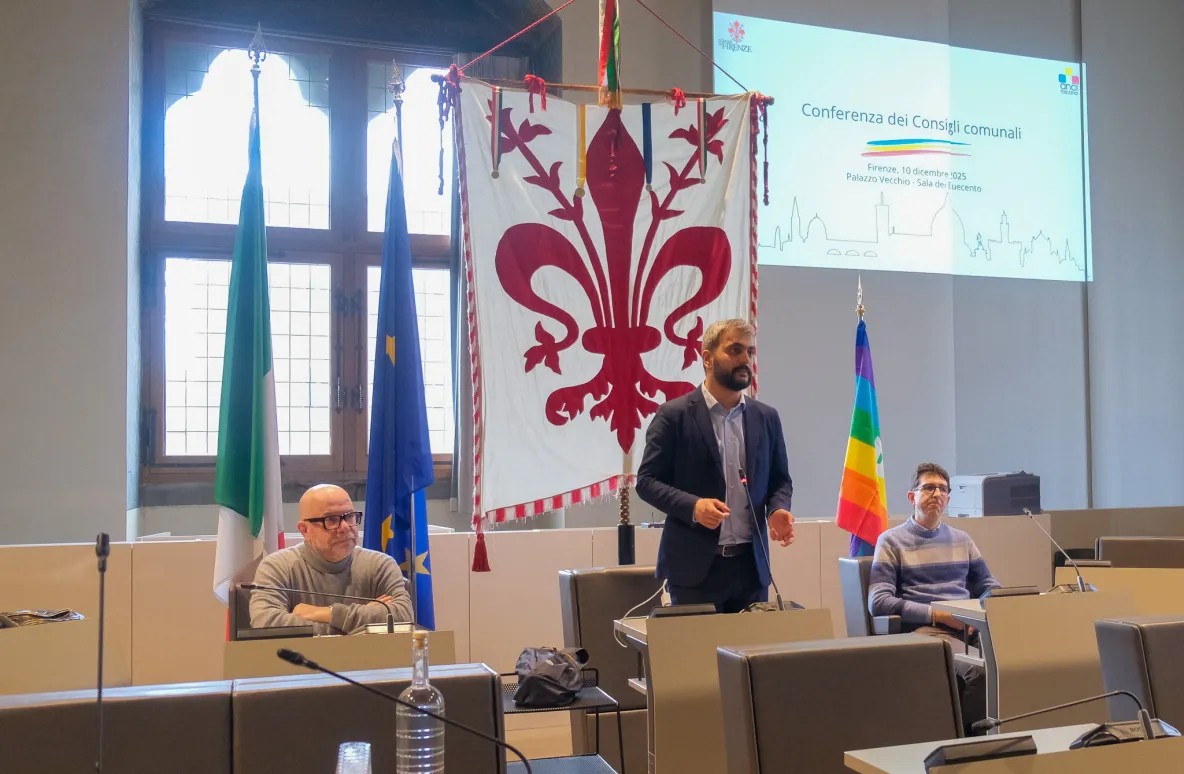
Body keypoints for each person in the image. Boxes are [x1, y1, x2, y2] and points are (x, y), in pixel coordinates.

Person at [636, 318, 795, 614]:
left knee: (753, 659)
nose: (745, 359)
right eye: (735, 350)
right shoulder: (674, 415)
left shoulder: (766, 418)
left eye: (749, 352)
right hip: (694, 572)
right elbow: (646, 481)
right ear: (707, 358)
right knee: (697, 660)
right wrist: (693, 507)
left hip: (752, 570)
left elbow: (780, 480)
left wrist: (777, 509)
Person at [868, 461, 1001, 733]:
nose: (937, 494)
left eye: (942, 489)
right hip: (926, 633)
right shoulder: (891, 541)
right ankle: (970, 747)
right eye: (928, 488)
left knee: (1017, 666)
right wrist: (941, 615)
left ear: (949, 498)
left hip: (970, 630)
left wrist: (994, 603)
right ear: (912, 496)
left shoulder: (962, 539)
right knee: (981, 672)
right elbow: (878, 601)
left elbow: (989, 585)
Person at [249, 483, 413, 634]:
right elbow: (267, 623)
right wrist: (360, 627)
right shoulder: (277, 567)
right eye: (331, 520)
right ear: (305, 530)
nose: (345, 527)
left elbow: (403, 616)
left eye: (350, 517)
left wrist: (325, 613)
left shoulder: (380, 564)